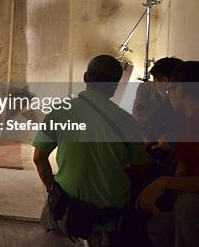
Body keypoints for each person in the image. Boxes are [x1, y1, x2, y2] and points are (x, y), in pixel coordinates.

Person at [33, 55, 151, 245]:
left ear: (86, 77)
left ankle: (58, 229)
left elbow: (39, 159)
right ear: (116, 84)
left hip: (69, 208)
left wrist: (53, 190)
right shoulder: (127, 122)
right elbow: (142, 171)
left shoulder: (60, 111)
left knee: (51, 197)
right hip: (110, 212)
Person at [139, 61, 199, 247]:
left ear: (180, 90)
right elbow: (185, 164)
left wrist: (165, 183)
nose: (168, 94)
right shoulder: (189, 121)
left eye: (170, 89)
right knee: (158, 226)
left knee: (187, 205)